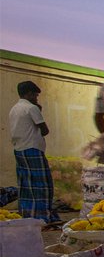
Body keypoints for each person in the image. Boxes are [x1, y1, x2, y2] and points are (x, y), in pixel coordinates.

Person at [9, 81, 58, 222]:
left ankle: (27, 214)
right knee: (43, 185)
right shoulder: (31, 108)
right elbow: (45, 130)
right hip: (33, 149)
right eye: (35, 95)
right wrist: (38, 109)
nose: (36, 98)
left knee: (26, 185)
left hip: (19, 149)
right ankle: (44, 216)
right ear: (29, 94)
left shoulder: (14, 109)